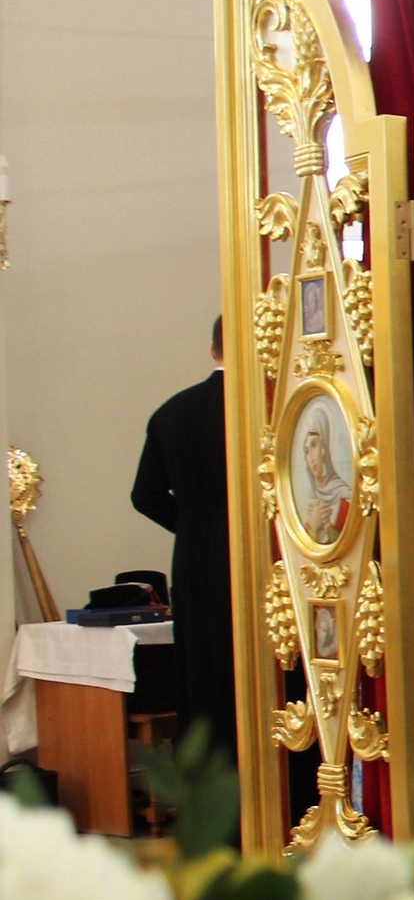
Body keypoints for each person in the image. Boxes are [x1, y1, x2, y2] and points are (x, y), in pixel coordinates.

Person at [130, 316, 234, 756]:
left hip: (194, 555)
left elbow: (145, 495)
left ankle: (206, 782)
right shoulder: (266, 405)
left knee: (203, 664)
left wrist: (193, 524)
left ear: (212, 350)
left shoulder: (171, 412)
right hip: (263, 552)